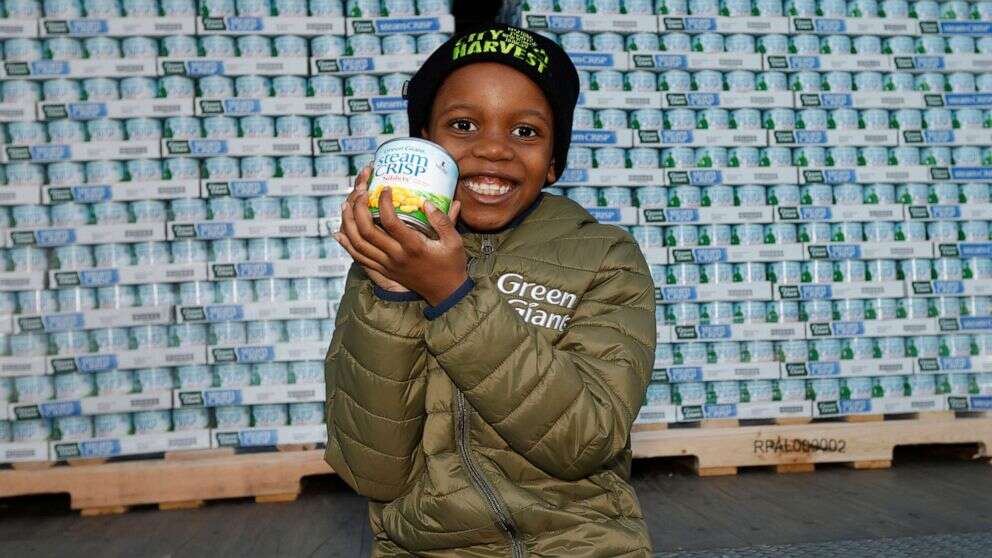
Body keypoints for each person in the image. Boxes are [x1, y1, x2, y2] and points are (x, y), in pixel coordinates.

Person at [325, 24, 656, 557]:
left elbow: (585, 439)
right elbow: (373, 472)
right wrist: (391, 296)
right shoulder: (385, 269)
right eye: (463, 124)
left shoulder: (604, 257)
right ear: (424, 147)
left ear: (553, 160)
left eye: (525, 132)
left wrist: (454, 297)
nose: (494, 149)